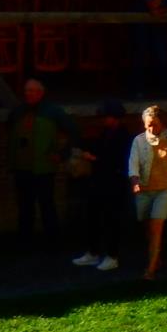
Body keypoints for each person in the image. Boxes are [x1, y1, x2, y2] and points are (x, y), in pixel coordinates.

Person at [126, 105, 167, 280]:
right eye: (148, 125)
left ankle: (150, 269)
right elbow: (133, 164)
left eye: (155, 125)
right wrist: (135, 181)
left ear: (162, 123)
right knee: (147, 226)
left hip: (165, 189)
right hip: (145, 189)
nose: (151, 129)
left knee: (156, 226)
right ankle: (156, 257)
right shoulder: (139, 141)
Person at [8, 78, 69, 244]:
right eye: (26, 90)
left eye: (32, 91)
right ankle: (25, 241)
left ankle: (53, 242)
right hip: (22, 168)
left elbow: (74, 132)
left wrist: (62, 154)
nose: (28, 94)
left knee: (47, 206)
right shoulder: (18, 112)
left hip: (44, 168)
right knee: (25, 207)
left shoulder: (53, 112)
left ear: (41, 93)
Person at [71, 101, 130, 272]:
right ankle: (93, 252)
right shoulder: (106, 132)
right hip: (99, 182)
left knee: (112, 220)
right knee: (93, 217)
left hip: (114, 183)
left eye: (107, 116)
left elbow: (118, 160)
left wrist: (95, 159)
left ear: (115, 117)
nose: (104, 119)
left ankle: (112, 256)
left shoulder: (123, 136)